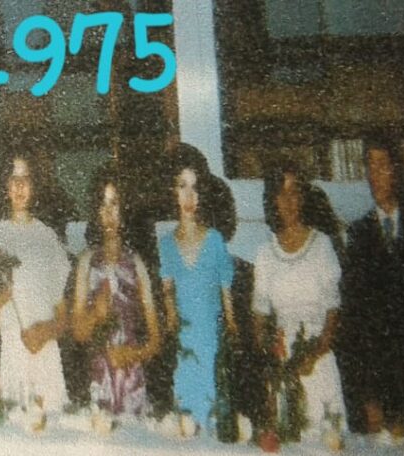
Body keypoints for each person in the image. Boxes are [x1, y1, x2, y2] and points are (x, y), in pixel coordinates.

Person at [340, 139, 404, 438]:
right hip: (377, 392)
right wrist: (368, 399)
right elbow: (355, 325)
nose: (375, 175)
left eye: (382, 165)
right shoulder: (358, 235)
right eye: (370, 166)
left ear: (396, 170)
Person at [253, 167, 346, 441]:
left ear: (303, 197)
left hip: (318, 364)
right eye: (281, 193)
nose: (289, 200)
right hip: (283, 370)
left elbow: (333, 312)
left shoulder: (322, 246)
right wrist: (273, 360)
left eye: (294, 192)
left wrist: (313, 355)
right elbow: (259, 319)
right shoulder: (265, 254)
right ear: (272, 199)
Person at [0, 157, 70, 412]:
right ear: (6, 187)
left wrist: (45, 331)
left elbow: (63, 317)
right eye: (13, 179)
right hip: (13, 351)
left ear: (34, 185)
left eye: (25, 179)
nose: (19, 186)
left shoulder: (47, 237)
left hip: (45, 352)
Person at [71, 165, 161, 417]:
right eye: (103, 205)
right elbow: (78, 332)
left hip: (131, 378)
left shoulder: (136, 264)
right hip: (99, 376)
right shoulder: (86, 262)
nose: (109, 213)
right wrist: (95, 314)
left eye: (115, 203)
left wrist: (132, 353)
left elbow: (155, 339)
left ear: (125, 209)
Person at [158, 154, 236, 430]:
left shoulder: (214, 240)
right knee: (186, 421)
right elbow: (168, 295)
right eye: (182, 186)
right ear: (173, 192)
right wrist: (172, 328)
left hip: (211, 341)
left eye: (195, 188)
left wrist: (231, 329)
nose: (189, 196)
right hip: (184, 344)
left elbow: (227, 297)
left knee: (215, 418)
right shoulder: (166, 245)